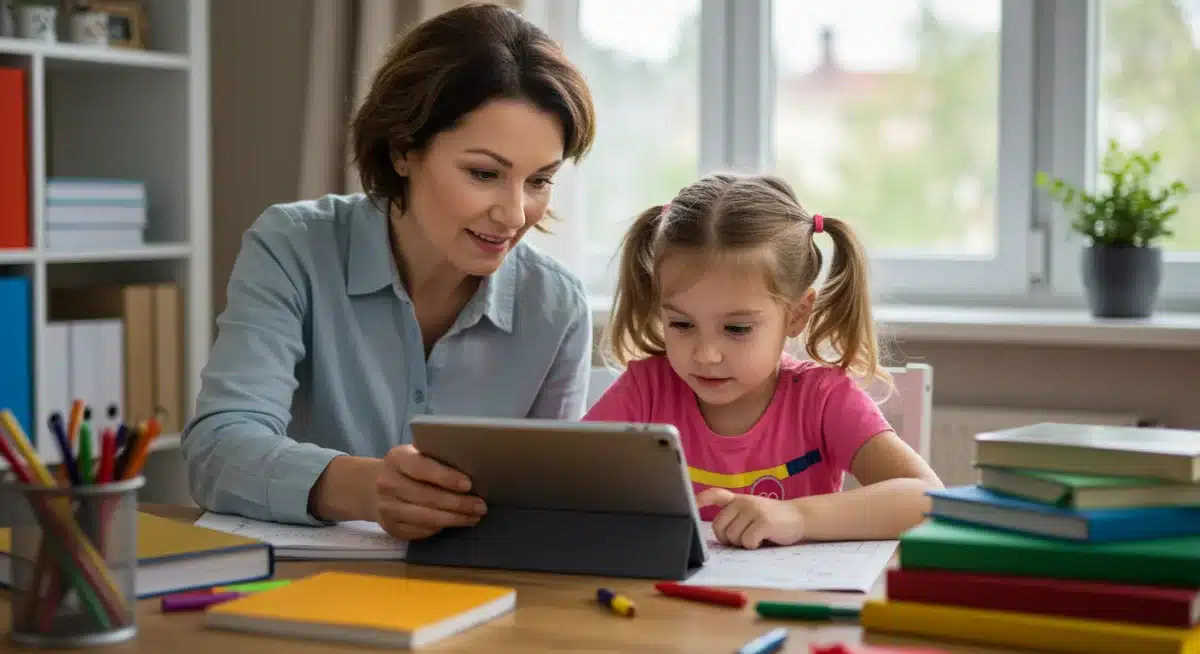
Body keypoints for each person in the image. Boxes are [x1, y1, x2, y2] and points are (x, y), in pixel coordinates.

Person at [182, 3, 597, 540]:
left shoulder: (557, 307)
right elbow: (217, 450)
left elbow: (553, 502)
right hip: (298, 583)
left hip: (476, 586)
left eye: (539, 181)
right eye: (484, 173)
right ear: (404, 150)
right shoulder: (294, 247)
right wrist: (365, 489)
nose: (515, 215)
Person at [583, 173, 943, 549]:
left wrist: (798, 517)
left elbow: (929, 501)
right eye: (682, 324)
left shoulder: (822, 400)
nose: (706, 354)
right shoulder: (646, 390)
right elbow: (561, 482)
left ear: (797, 315)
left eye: (737, 329)